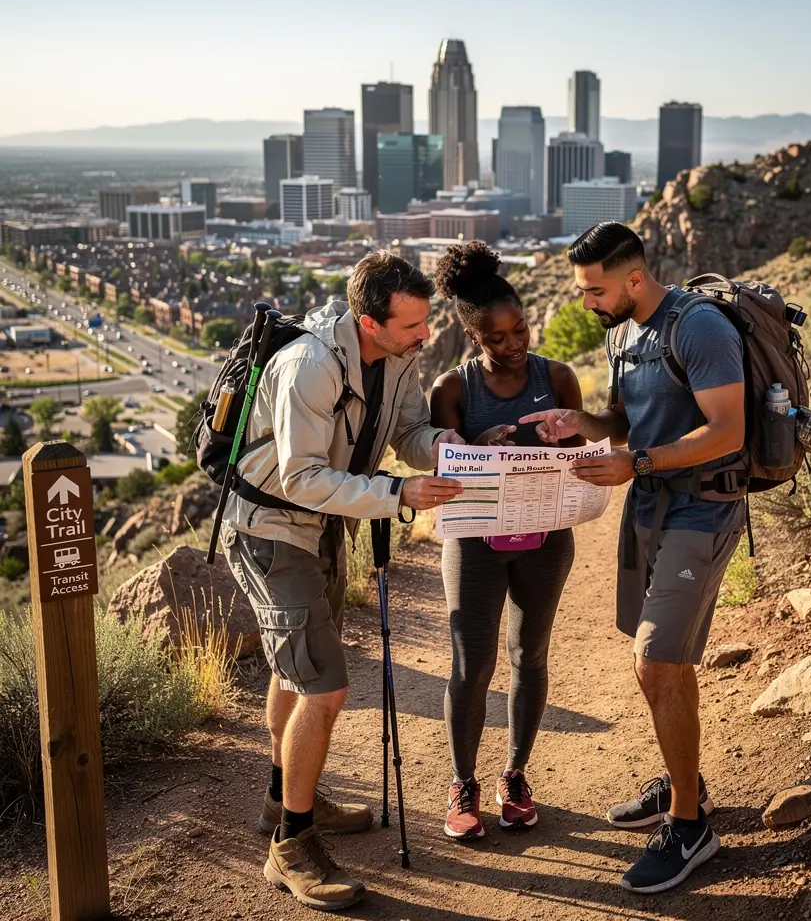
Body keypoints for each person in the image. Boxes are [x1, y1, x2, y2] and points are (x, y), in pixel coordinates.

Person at [220, 251, 464, 912]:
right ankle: (291, 849)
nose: (424, 336)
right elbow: (300, 476)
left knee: (292, 670)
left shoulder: (398, 355)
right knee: (324, 688)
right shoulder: (311, 366)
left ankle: (284, 800)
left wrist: (457, 451)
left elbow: (409, 431)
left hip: (321, 526)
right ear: (368, 320)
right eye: (412, 326)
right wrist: (398, 493)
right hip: (271, 530)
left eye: (424, 324)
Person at [519, 221, 746, 895]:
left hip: (703, 508)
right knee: (661, 665)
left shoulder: (698, 328)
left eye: (594, 289)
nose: (586, 301)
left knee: (657, 660)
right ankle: (686, 786)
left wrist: (636, 462)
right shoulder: (621, 332)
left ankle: (690, 827)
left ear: (635, 280)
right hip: (650, 508)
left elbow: (729, 430)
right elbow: (625, 422)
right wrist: (580, 427)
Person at [429, 241, 583, 840]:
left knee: (529, 656)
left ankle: (515, 775)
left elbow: (581, 453)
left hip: (546, 539)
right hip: (475, 545)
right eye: (498, 338)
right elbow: (442, 469)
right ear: (474, 338)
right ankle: (462, 784)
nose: (515, 343)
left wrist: (560, 441)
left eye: (521, 329)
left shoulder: (559, 377)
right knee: (472, 664)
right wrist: (478, 449)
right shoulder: (452, 390)